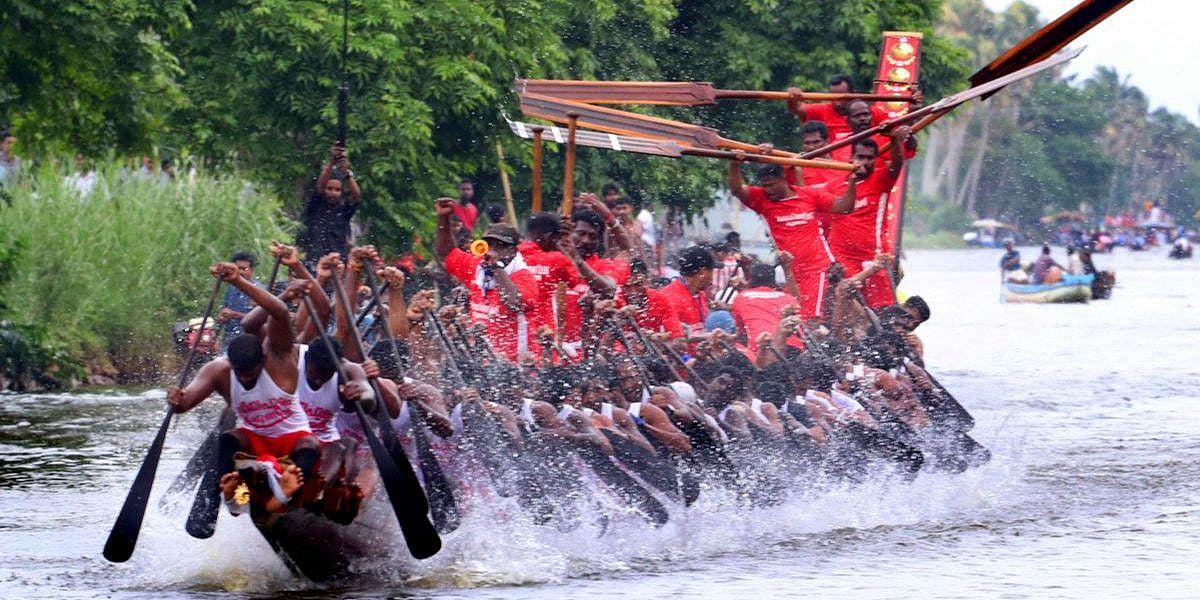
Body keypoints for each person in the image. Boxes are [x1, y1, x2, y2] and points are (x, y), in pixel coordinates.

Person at [167, 268, 337, 515]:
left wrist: (238, 280)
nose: (245, 379)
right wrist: (175, 399)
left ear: (263, 360)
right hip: (253, 436)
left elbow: (278, 312)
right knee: (227, 440)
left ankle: (283, 497)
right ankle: (236, 498)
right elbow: (184, 403)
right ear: (231, 365)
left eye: (251, 373)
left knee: (310, 445)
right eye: (240, 373)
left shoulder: (278, 358)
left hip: (291, 436)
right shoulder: (218, 370)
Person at [727, 160, 855, 318]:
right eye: (764, 186)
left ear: (783, 179)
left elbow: (845, 207)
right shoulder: (762, 200)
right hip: (790, 273)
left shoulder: (809, 195)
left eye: (771, 185)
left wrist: (853, 181)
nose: (768, 190)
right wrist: (734, 163)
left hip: (818, 268)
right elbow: (736, 190)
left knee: (811, 319)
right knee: (793, 317)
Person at [434, 197, 540, 360]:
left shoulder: (525, 277)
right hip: (483, 363)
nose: (492, 250)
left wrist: (496, 267)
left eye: (499, 246)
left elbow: (513, 302)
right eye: (489, 245)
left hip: (517, 367)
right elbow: (446, 253)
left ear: (513, 250)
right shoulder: (477, 266)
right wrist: (443, 217)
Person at [825, 127, 911, 309]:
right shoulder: (833, 186)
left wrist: (895, 140)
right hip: (842, 258)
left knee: (883, 311)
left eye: (869, 158)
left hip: (873, 257)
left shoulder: (881, 178)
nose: (865, 162)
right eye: (860, 157)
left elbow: (897, 165)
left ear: (875, 159)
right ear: (851, 159)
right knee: (845, 308)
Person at [302, 144, 361, 262]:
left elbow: (356, 195)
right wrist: (332, 162)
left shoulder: (344, 210)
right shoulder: (316, 205)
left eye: (337, 190)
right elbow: (320, 185)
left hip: (339, 261)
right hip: (316, 260)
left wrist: (347, 173)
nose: (333, 193)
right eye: (329, 189)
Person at [658, 246, 716, 332]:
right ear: (702, 272)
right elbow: (676, 338)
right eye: (711, 271)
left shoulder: (699, 294)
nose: (712, 278)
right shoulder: (671, 300)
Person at [216, 252, 265, 350]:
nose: (241, 272)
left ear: (251, 270)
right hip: (230, 341)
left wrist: (235, 315)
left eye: (244, 269)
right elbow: (224, 313)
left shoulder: (259, 291)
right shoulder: (231, 289)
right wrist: (220, 320)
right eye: (238, 269)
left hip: (252, 343)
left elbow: (264, 320)